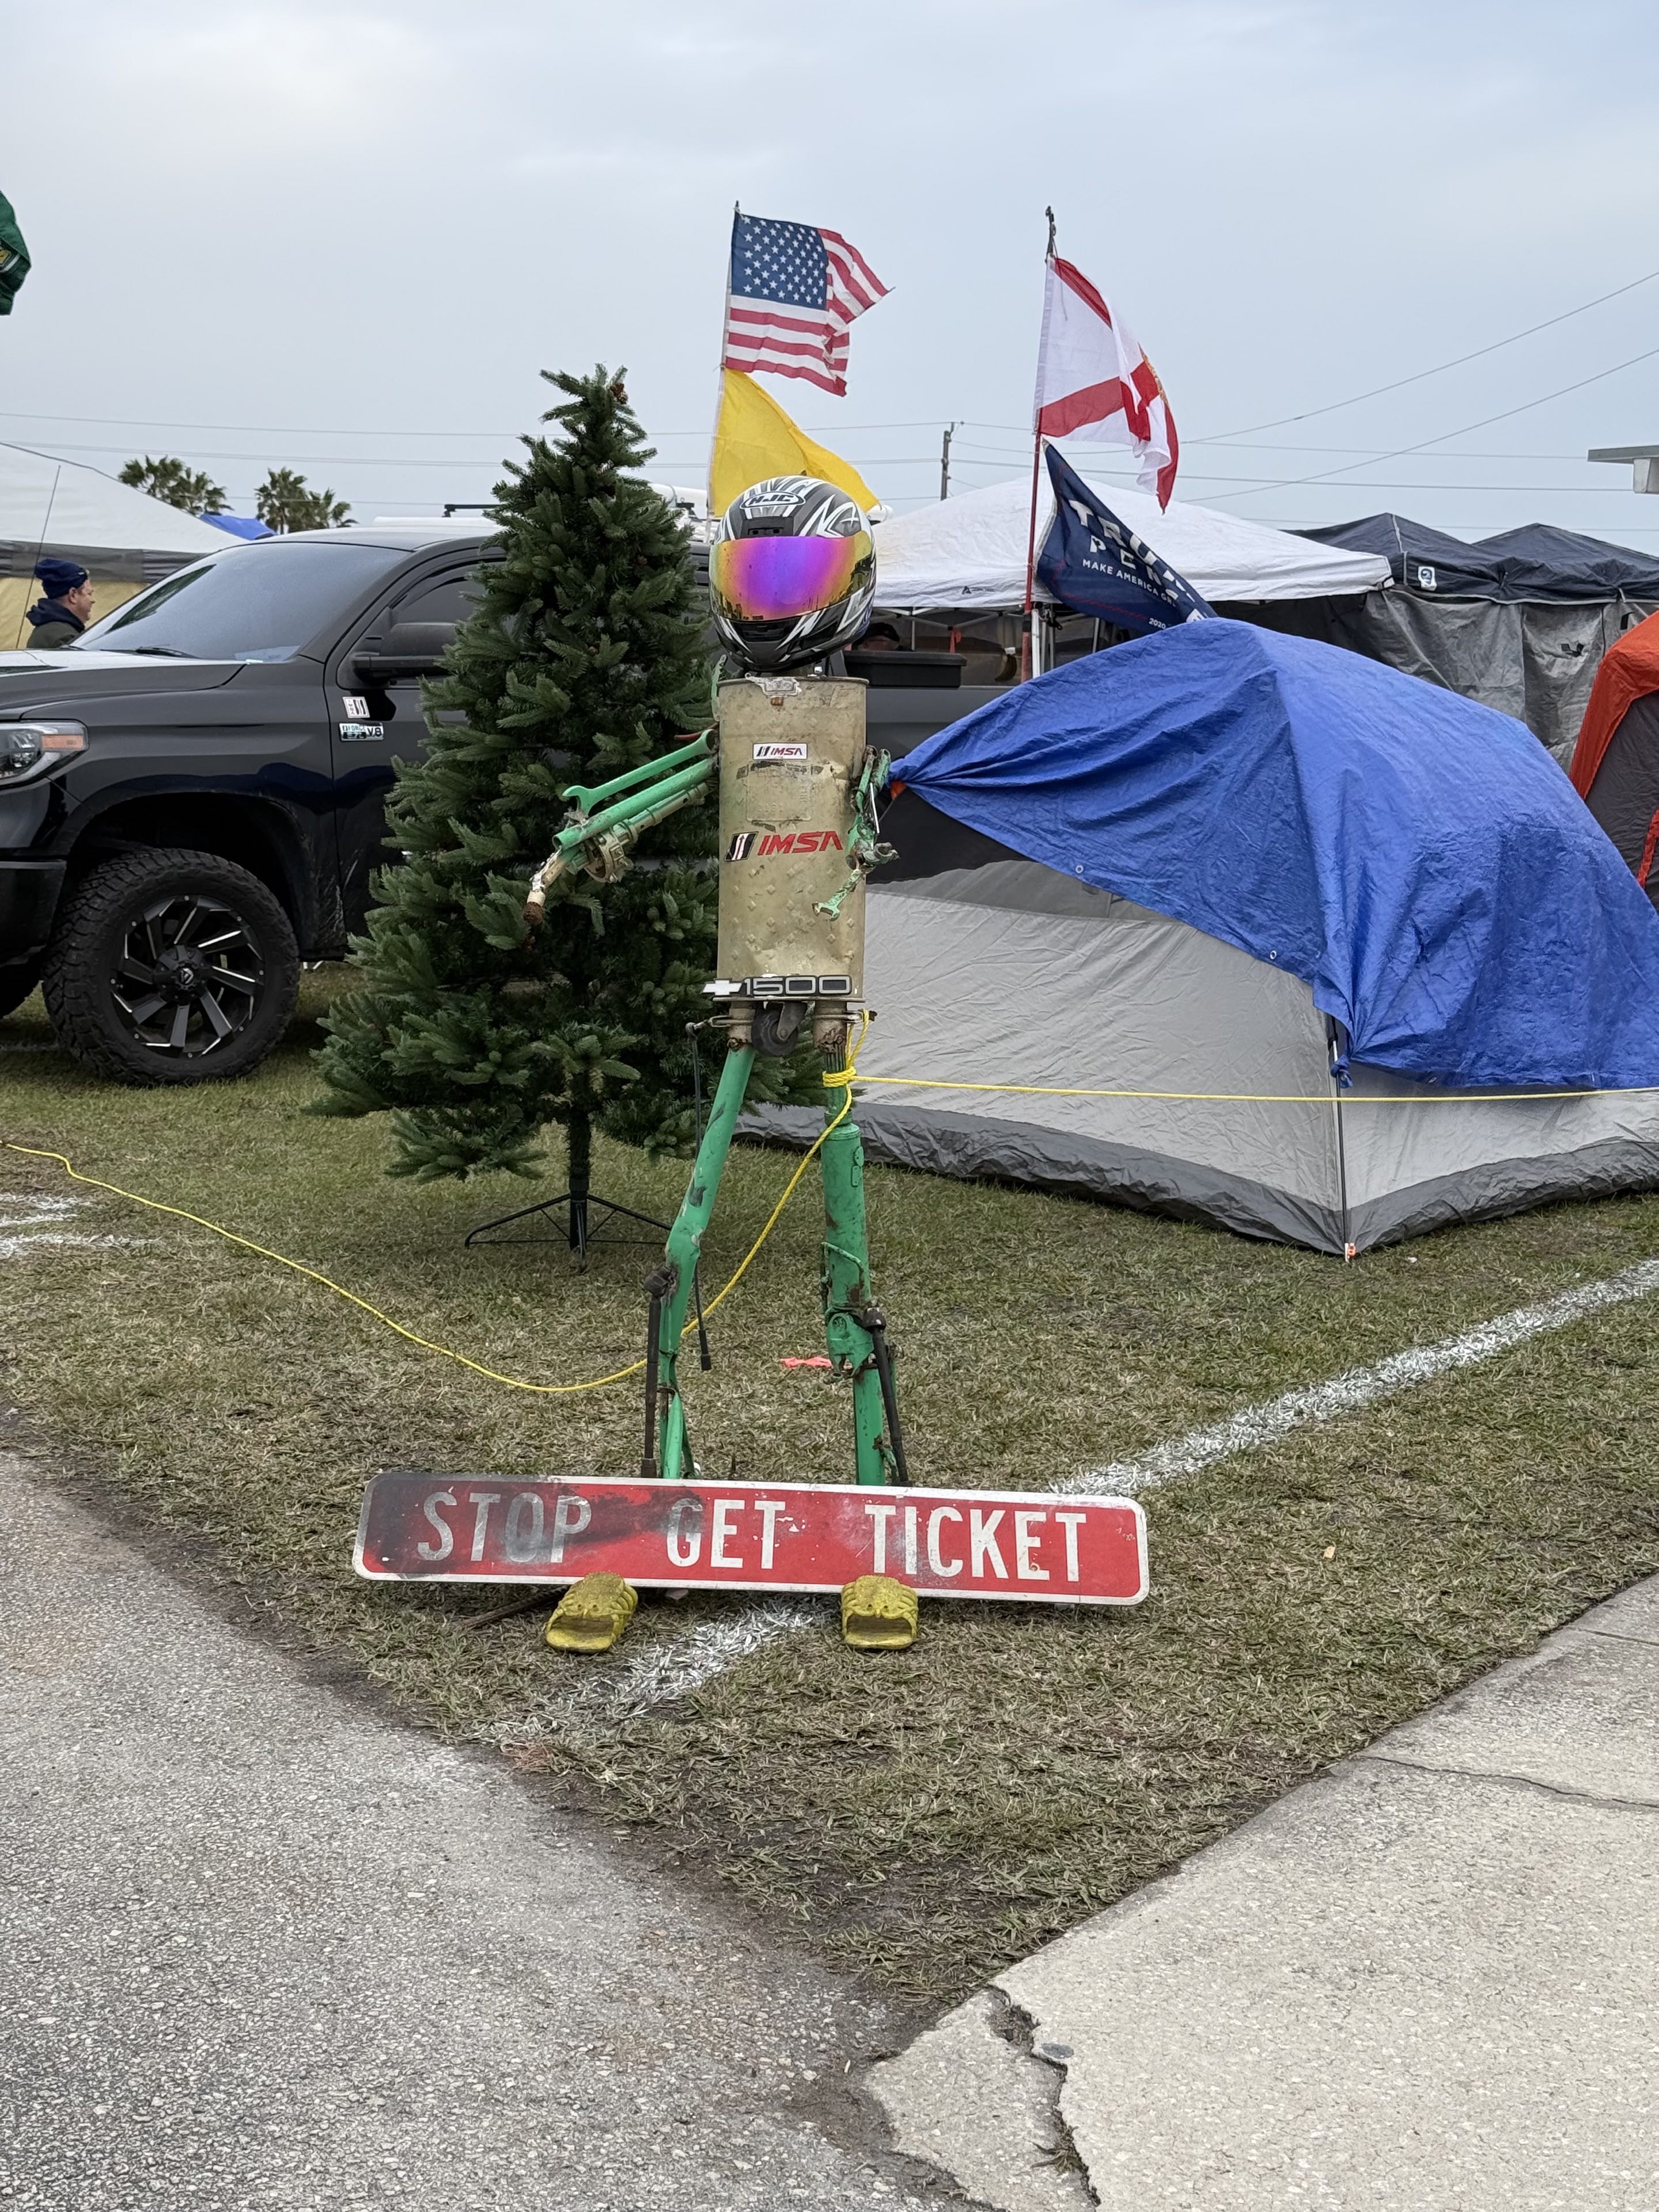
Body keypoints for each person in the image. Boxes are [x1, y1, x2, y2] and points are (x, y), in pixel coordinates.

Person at [24, 558, 94, 648]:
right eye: (89, 594)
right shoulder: (66, 639)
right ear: (73, 595)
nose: (93, 600)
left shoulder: (50, 629)